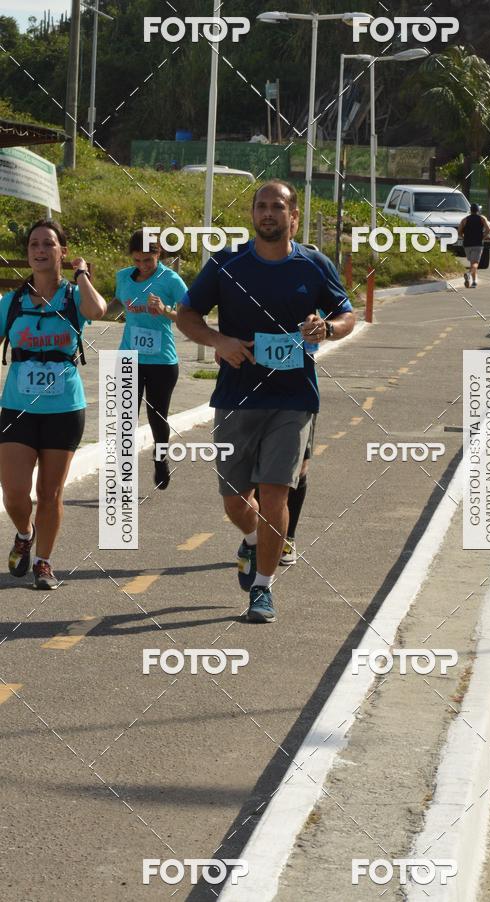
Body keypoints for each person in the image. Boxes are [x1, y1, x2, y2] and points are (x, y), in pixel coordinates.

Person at [177, 179, 355, 623]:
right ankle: (255, 538)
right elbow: (186, 314)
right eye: (262, 206)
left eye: (278, 206)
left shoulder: (314, 265)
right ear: (253, 215)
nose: (269, 213)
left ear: (293, 217)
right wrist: (220, 340)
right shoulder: (226, 263)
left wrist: (328, 329)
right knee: (236, 500)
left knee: (277, 490)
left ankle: (262, 588)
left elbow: (346, 314)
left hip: (294, 397)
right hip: (237, 395)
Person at [0, 219, 107, 589]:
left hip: (64, 409)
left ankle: (43, 562)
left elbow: (98, 311)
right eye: (33, 245)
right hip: (18, 408)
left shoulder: (73, 296)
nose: (40, 250)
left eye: (48, 244)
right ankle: (24, 533)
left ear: (62, 251)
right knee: (14, 492)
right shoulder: (11, 302)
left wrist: (81, 276)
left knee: (50, 492)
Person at [113, 229, 188, 489]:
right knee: (125, 417)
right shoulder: (123, 277)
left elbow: (191, 317)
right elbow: (113, 307)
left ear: (159, 254)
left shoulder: (171, 280)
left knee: (157, 415)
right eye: (137, 260)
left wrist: (165, 310)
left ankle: (160, 459)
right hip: (129, 357)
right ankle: (124, 476)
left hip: (162, 361)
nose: (143, 266)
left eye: (148, 260)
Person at [458, 203, 490, 288]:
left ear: (470, 210)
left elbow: (459, 232)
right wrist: (483, 237)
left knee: (472, 263)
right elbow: (488, 230)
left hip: (467, 245)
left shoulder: (465, 219)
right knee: (475, 263)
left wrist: (464, 238)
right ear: (478, 210)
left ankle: (474, 282)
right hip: (477, 244)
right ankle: (468, 274)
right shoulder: (482, 218)